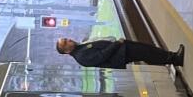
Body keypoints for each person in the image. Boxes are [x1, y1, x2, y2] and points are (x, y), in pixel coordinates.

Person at [55, 36, 183, 69]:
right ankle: (175, 59)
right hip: (121, 54)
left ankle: (172, 58)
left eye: (66, 39)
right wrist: (116, 44)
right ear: (66, 51)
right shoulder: (81, 56)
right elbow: (102, 56)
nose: (69, 40)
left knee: (147, 51)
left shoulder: (80, 48)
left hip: (122, 49)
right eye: (66, 42)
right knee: (147, 53)